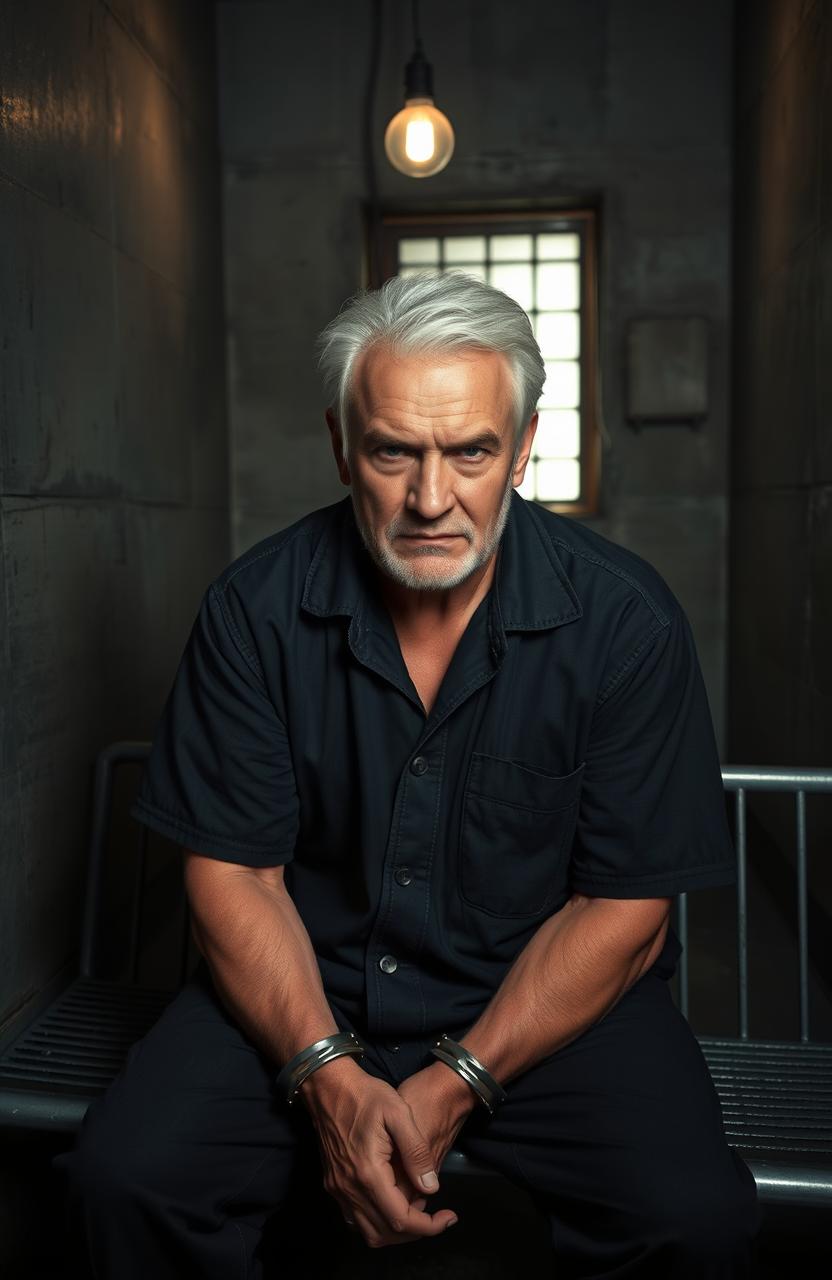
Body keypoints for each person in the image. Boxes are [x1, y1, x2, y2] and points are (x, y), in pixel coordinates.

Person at [61, 273, 761, 1278]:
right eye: (394, 450)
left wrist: (457, 1077)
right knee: (125, 1176)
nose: (430, 498)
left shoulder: (624, 623)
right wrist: (326, 1070)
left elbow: (624, 903)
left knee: (691, 1218)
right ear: (343, 445)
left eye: (471, 451)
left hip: (545, 1004)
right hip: (306, 984)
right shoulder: (253, 613)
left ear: (522, 448)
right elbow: (233, 876)